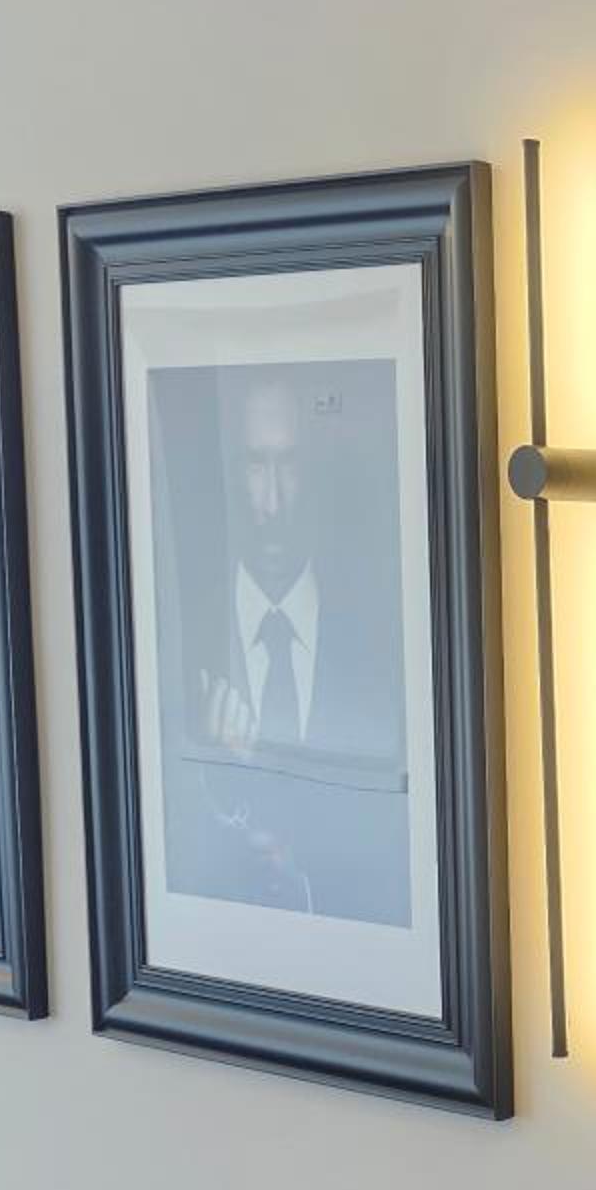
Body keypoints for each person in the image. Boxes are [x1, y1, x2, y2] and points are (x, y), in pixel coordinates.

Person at [157, 368, 410, 925]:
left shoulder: (382, 648)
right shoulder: (175, 645)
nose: (271, 502)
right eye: (255, 464)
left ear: (315, 474)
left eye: (288, 464)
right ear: (229, 474)